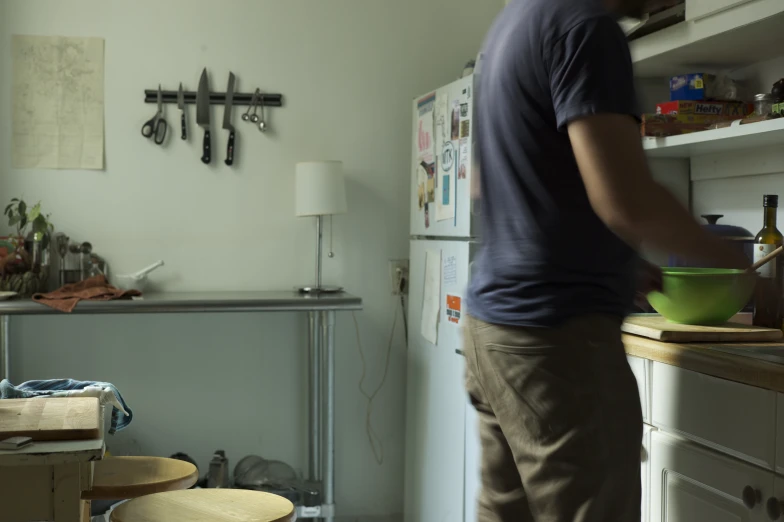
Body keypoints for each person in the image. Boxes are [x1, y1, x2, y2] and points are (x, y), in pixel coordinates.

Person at [464, 0, 748, 521]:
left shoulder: (515, 23)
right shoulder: (586, 27)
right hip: (555, 341)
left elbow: (496, 182)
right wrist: (744, 272)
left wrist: (609, 257)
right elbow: (628, 202)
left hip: (494, 328)